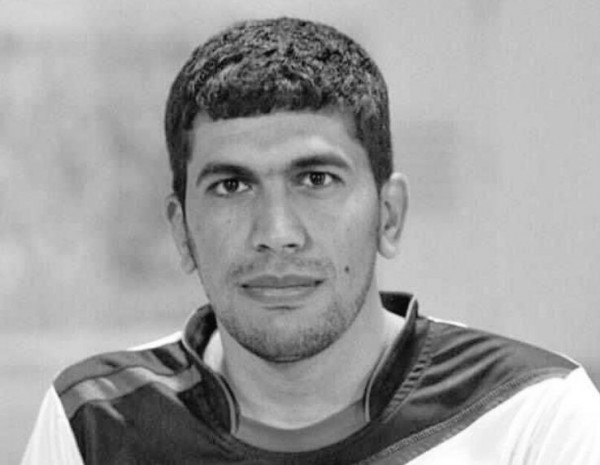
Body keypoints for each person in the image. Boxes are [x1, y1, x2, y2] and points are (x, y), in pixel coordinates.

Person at [21, 17, 600, 465]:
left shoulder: (531, 413)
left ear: (389, 215)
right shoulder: (95, 420)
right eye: (231, 186)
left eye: (316, 179)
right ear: (181, 231)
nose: (276, 234)